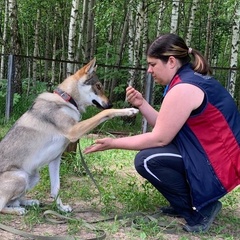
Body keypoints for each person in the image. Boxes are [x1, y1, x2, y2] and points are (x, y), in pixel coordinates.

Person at [84, 33, 240, 233]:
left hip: (218, 165)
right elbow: (166, 127)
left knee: (148, 160)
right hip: (218, 158)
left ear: (171, 61)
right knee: (153, 156)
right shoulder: (188, 79)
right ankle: (188, 202)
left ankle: (199, 211)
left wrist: (112, 143)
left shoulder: (184, 88)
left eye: (153, 64)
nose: (149, 70)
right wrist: (141, 104)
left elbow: (160, 138)